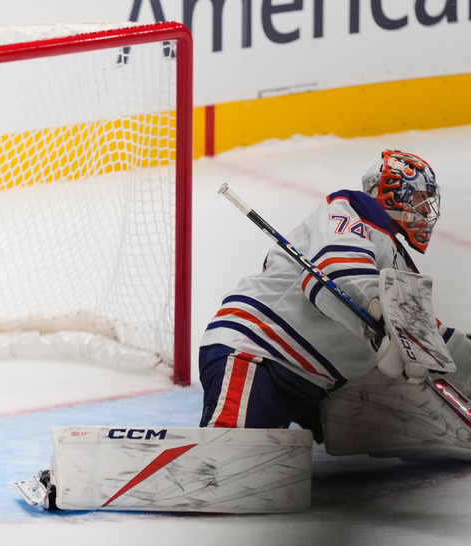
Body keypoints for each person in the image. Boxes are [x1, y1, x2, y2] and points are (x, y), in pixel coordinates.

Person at [198, 150, 471, 442]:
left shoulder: (401, 265)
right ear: (397, 192)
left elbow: (427, 338)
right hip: (259, 353)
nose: (428, 210)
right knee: (225, 462)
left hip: (315, 385)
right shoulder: (354, 208)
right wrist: (384, 315)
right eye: (421, 198)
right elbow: (337, 268)